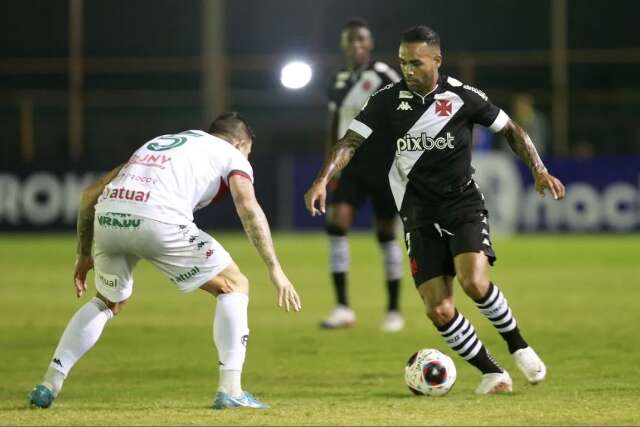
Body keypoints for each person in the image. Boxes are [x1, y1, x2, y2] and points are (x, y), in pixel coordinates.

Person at [305, 26, 566, 394]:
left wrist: (539, 169)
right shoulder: (386, 100)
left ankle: (518, 346)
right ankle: (492, 372)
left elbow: (511, 129)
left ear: (437, 61)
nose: (408, 70)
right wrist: (322, 179)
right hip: (417, 212)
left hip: (461, 203)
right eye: (402, 62)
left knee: (473, 281)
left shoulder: (463, 97)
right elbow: (349, 141)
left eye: (415, 63)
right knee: (438, 309)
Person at [29, 112, 302, 409]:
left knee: (108, 301)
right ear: (239, 143)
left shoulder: (164, 143)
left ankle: (48, 384)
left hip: (109, 217)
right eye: (248, 151)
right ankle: (231, 390)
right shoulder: (231, 154)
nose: (247, 158)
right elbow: (248, 207)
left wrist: (83, 254)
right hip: (159, 219)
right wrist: (275, 269)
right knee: (234, 285)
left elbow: (89, 194)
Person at [321, 18, 405, 332]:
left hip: (383, 163)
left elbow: (403, 116)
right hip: (350, 163)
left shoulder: (384, 75)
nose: (355, 45)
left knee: (385, 234)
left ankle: (394, 310)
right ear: (344, 45)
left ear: (369, 45)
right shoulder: (338, 79)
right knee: (337, 224)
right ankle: (343, 307)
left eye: (361, 40)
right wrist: (328, 167)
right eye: (350, 41)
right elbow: (332, 124)